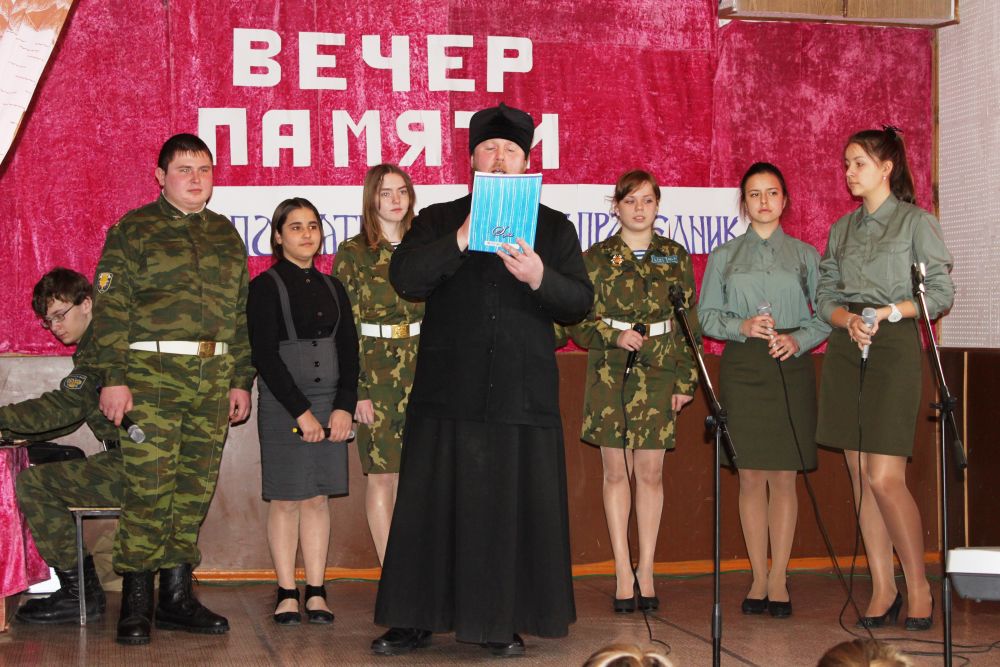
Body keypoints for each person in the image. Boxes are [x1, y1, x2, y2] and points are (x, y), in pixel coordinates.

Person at [371, 102, 593, 657]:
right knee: (429, 510)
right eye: (489, 149)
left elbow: (580, 302)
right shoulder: (440, 219)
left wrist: (540, 275)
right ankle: (413, 619)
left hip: (521, 395)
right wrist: (461, 239)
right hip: (448, 393)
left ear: (526, 162)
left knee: (507, 512)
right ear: (472, 160)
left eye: (510, 150)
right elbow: (406, 278)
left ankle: (500, 620)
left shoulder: (554, 227)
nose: (498, 158)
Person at [91, 133, 255, 644]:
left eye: (204, 169)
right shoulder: (133, 229)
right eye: (184, 169)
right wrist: (113, 377)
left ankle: (177, 598)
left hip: (211, 380)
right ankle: (136, 601)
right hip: (150, 379)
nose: (196, 178)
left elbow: (240, 314)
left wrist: (240, 379)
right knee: (149, 488)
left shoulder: (225, 234)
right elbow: (111, 310)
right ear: (160, 176)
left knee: (193, 489)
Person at [815, 127, 954, 631]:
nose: (849, 172)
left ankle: (918, 585)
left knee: (883, 477)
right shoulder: (841, 229)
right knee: (859, 474)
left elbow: (940, 293)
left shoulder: (917, 222)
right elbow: (825, 293)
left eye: (859, 163)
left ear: (887, 168)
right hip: (848, 342)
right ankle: (882, 586)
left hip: (893, 344)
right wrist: (845, 319)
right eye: (847, 164)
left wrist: (893, 311)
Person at [698, 162, 830, 617]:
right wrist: (741, 326)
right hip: (743, 365)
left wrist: (799, 340)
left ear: (785, 200)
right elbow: (705, 316)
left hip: (790, 363)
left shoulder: (806, 255)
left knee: (784, 476)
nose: (764, 202)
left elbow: (827, 314)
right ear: (744, 202)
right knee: (751, 475)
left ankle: (779, 579)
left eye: (772, 192)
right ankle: (757, 576)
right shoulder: (724, 256)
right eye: (754, 194)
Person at [567, 170, 699, 613]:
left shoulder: (673, 256)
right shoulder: (596, 258)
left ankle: (647, 569)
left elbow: (688, 322)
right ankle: (622, 570)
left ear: (658, 205)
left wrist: (685, 381)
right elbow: (576, 320)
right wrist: (612, 334)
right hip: (610, 371)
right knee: (615, 473)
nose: (639, 209)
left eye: (647, 200)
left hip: (660, 369)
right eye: (630, 201)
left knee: (651, 473)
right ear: (616, 207)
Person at [247, 197, 359, 625]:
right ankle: (286, 592)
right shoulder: (264, 287)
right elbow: (265, 356)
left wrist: (344, 406)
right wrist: (301, 412)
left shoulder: (334, 287)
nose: (306, 234)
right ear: (278, 237)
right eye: (295, 227)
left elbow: (349, 350)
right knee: (287, 499)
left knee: (317, 498)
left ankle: (316, 590)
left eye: (312, 226)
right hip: (285, 405)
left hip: (330, 402)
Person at [2, 269, 118, 624]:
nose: (54, 327)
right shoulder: (101, 343)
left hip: (138, 464)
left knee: (34, 484)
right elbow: (70, 417)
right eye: (47, 320)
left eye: (59, 315)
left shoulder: (100, 349)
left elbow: (65, 408)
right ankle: (82, 591)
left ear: (87, 304)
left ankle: (78, 593)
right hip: (141, 459)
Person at [332, 164, 421, 566]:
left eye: (402, 191)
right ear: (372, 199)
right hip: (376, 369)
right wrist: (358, 390)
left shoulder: (423, 246)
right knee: (384, 475)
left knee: (417, 474)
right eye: (386, 193)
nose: (396, 200)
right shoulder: (354, 253)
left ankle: (416, 568)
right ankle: (392, 573)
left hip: (422, 366)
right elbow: (344, 327)